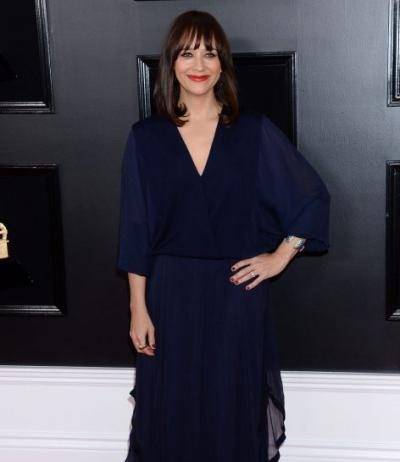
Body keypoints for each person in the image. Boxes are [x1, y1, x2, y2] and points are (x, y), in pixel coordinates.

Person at [117, 9, 330, 462]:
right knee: (169, 415)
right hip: (169, 297)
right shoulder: (146, 138)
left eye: (210, 54)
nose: (199, 64)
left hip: (236, 297)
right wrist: (138, 307)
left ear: (222, 64)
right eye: (188, 53)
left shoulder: (253, 131)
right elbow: (136, 229)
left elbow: (311, 197)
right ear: (171, 62)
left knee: (231, 412)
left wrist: (280, 255)